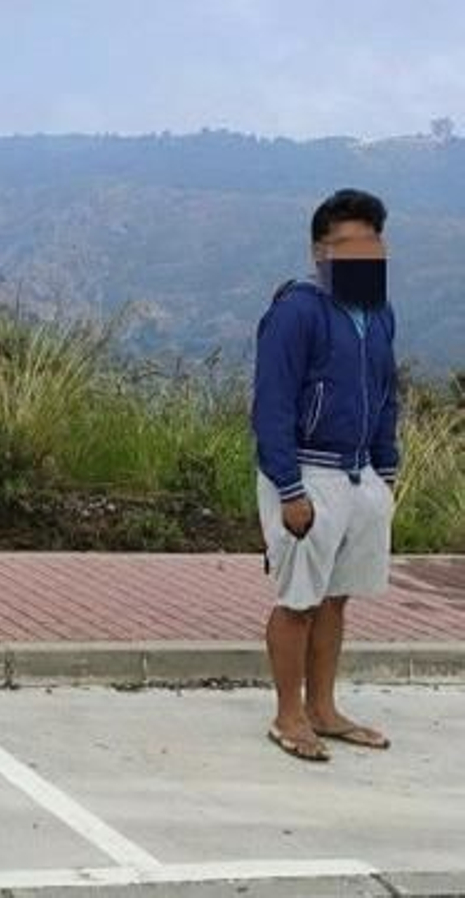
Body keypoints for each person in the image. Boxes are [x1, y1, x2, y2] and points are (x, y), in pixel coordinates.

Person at [251, 188, 399, 762]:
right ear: (321, 251)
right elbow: (273, 405)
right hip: (307, 473)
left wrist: (386, 474)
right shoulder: (297, 310)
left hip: (360, 475)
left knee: (337, 600)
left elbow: (387, 394)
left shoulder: (380, 313)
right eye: (348, 244)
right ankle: (288, 715)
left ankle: (325, 708)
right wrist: (288, 487)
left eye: (372, 242)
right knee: (299, 600)